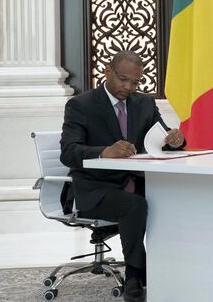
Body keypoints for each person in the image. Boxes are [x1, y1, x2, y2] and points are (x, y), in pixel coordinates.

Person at [60, 50, 185, 302]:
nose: (129, 87)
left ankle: (171, 269)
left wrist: (175, 140)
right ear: (107, 71)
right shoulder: (80, 105)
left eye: (136, 82)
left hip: (134, 182)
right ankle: (135, 276)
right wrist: (104, 152)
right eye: (123, 79)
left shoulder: (145, 103)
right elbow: (68, 152)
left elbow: (160, 136)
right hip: (95, 189)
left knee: (173, 200)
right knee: (134, 205)